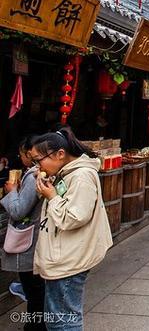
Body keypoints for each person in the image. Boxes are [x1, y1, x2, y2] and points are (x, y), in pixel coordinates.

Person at [30, 127, 113, 330]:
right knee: (59, 318)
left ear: (60, 154)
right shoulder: (66, 173)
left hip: (69, 259)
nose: (36, 166)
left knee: (63, 321)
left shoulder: (81, 176)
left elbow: (74, 217)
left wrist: (52, 197)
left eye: (38, 160)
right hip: (65, 255)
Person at [1, 136, 46, 331]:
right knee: (36, 292)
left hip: (30, 241)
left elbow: (19, 210)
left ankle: (35, 327)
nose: (21, 158)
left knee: (34, 292)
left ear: (30, 153)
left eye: (22, 154)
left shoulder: (34, 175)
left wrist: (11, 191)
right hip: (36, 240)